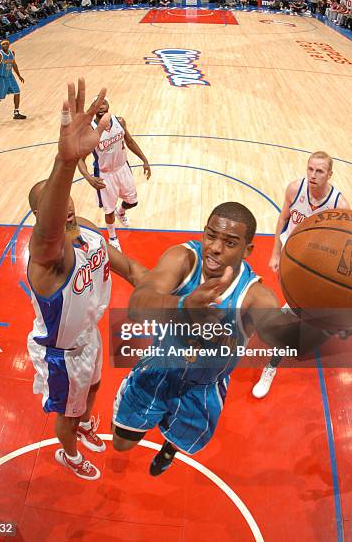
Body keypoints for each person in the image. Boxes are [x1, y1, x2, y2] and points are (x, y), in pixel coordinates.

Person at [111, 202, 322, 476]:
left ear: (247, 250)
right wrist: (183, 306)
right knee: (121, 444)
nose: (215, 248)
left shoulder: (255, 296)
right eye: (210, 235)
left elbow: (289, 338)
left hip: (204, 387)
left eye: (230, 242)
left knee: (179, 440)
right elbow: (137, 305)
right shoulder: (183, 259)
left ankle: (169, 449)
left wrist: (330, 316)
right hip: (157, 370)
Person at [27, 78, 147, 481]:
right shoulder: (46, 261)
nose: (65, 213)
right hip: (61, 352)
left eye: (66, 205)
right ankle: (69, 452)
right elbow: (47, 234)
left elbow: (131, 269)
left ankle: (83, 424)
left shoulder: (91, 232)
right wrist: (65, 163)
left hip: (89, 334)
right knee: (67, 410)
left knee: (94, 390)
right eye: (53, 209)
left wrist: (178, 293)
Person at [252, 151, 350, 398]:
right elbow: (283, 219)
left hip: (317, 265)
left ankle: (271, 365)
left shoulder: (339, 205)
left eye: (319, 171)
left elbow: (345, 244)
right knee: (294, 304)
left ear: (329, 174)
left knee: (298, 311)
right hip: (292, 255)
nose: (313, 175)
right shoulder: (295, 189)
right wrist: (276, 252)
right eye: (310, 169)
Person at [78, 97, 151, 252]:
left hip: (123, 168)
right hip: (105, 175)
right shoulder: (90, 130)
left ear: (108, 105)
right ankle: (112, 237)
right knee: (108, 210)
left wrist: (144, 159)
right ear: (94, 108)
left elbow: (129, 142)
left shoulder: (119, 121)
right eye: (97, 104)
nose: (101, 106)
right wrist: (89, 178)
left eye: (104, 103)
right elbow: (80, 160)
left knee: (132, 201)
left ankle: (122, 211)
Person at [0, 40, 26, 125]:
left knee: (17, 92)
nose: (5, 45)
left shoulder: (12, 53)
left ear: (9, 45)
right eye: (3, 44)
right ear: (1, 46)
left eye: (7, 43)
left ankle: (16, 113)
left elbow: (14, 64)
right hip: (1, 78)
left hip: (10, 76)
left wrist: (19, 75)